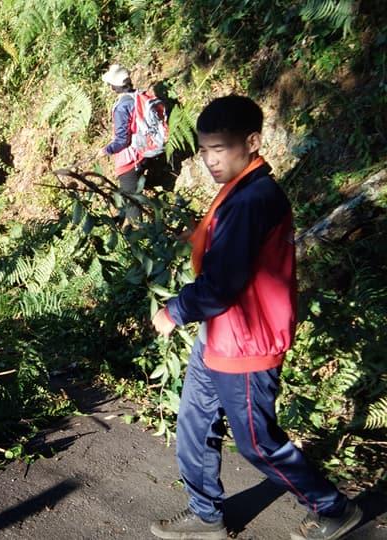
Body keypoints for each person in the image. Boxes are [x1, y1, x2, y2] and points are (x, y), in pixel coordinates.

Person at [149, 95, 361, 540]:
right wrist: (199, 236)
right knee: (194, 425)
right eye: (204, 150)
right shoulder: (243, 188)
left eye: (219, 149)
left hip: (246, 342)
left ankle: (333, 508)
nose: (210, 160)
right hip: (219, 336)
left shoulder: (253, 198)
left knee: (258, 443)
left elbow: (222, 284)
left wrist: (175, 310)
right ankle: (205, 514)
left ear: (252, 142)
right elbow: (232, 249)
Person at [99, 64, 166, 225]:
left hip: (130, 158)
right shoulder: (138, 96)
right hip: (145, 150)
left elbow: (122, 140)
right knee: (130, 191)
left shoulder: (122, 107)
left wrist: (106, 150)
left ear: (114, 86)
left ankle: (140, 231)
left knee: (132, 201)